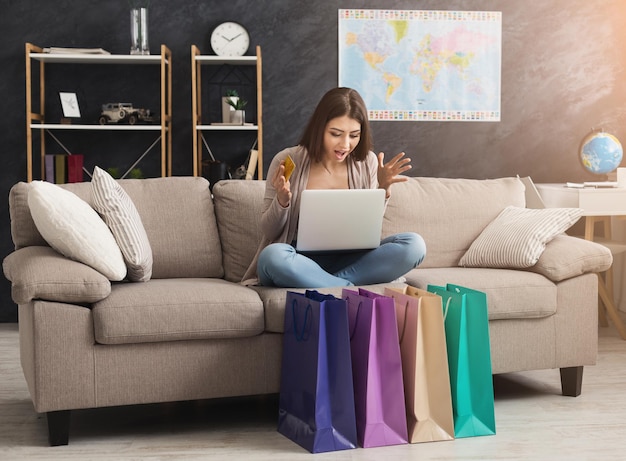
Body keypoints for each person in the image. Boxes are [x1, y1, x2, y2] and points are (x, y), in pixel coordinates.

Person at [241, 87, 426, 287]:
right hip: (299, 260)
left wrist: (383, 188)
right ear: (319, 128)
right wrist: (282, 201)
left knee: (414, 245)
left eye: (354, 135)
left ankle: (330, 284)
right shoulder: (288, 160)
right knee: (272, 257)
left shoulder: (367, 162)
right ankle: (346, 286)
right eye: (336, 134)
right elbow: (269, 231)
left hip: (351, 260)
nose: (345, 145)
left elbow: (367, 228)